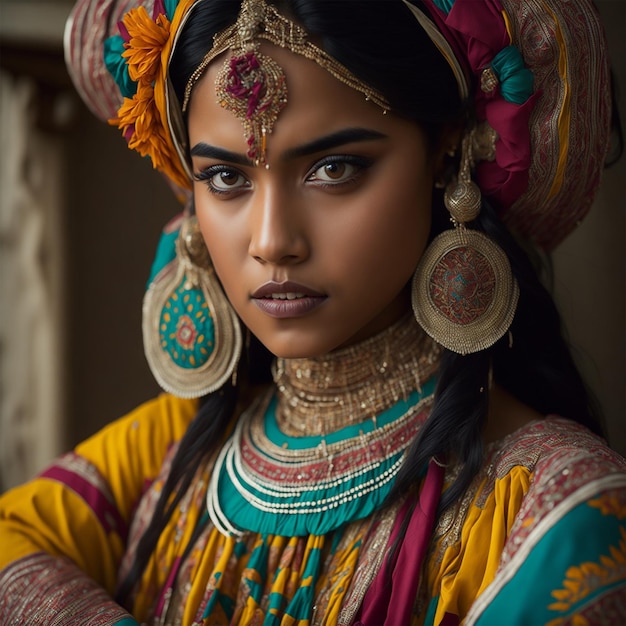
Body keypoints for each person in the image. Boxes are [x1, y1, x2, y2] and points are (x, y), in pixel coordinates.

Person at [1, 0, 624, 623]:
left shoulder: (549, 511)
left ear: (446, 152)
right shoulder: (175, 447)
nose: (271, 241)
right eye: (224, 178)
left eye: (334, 168)